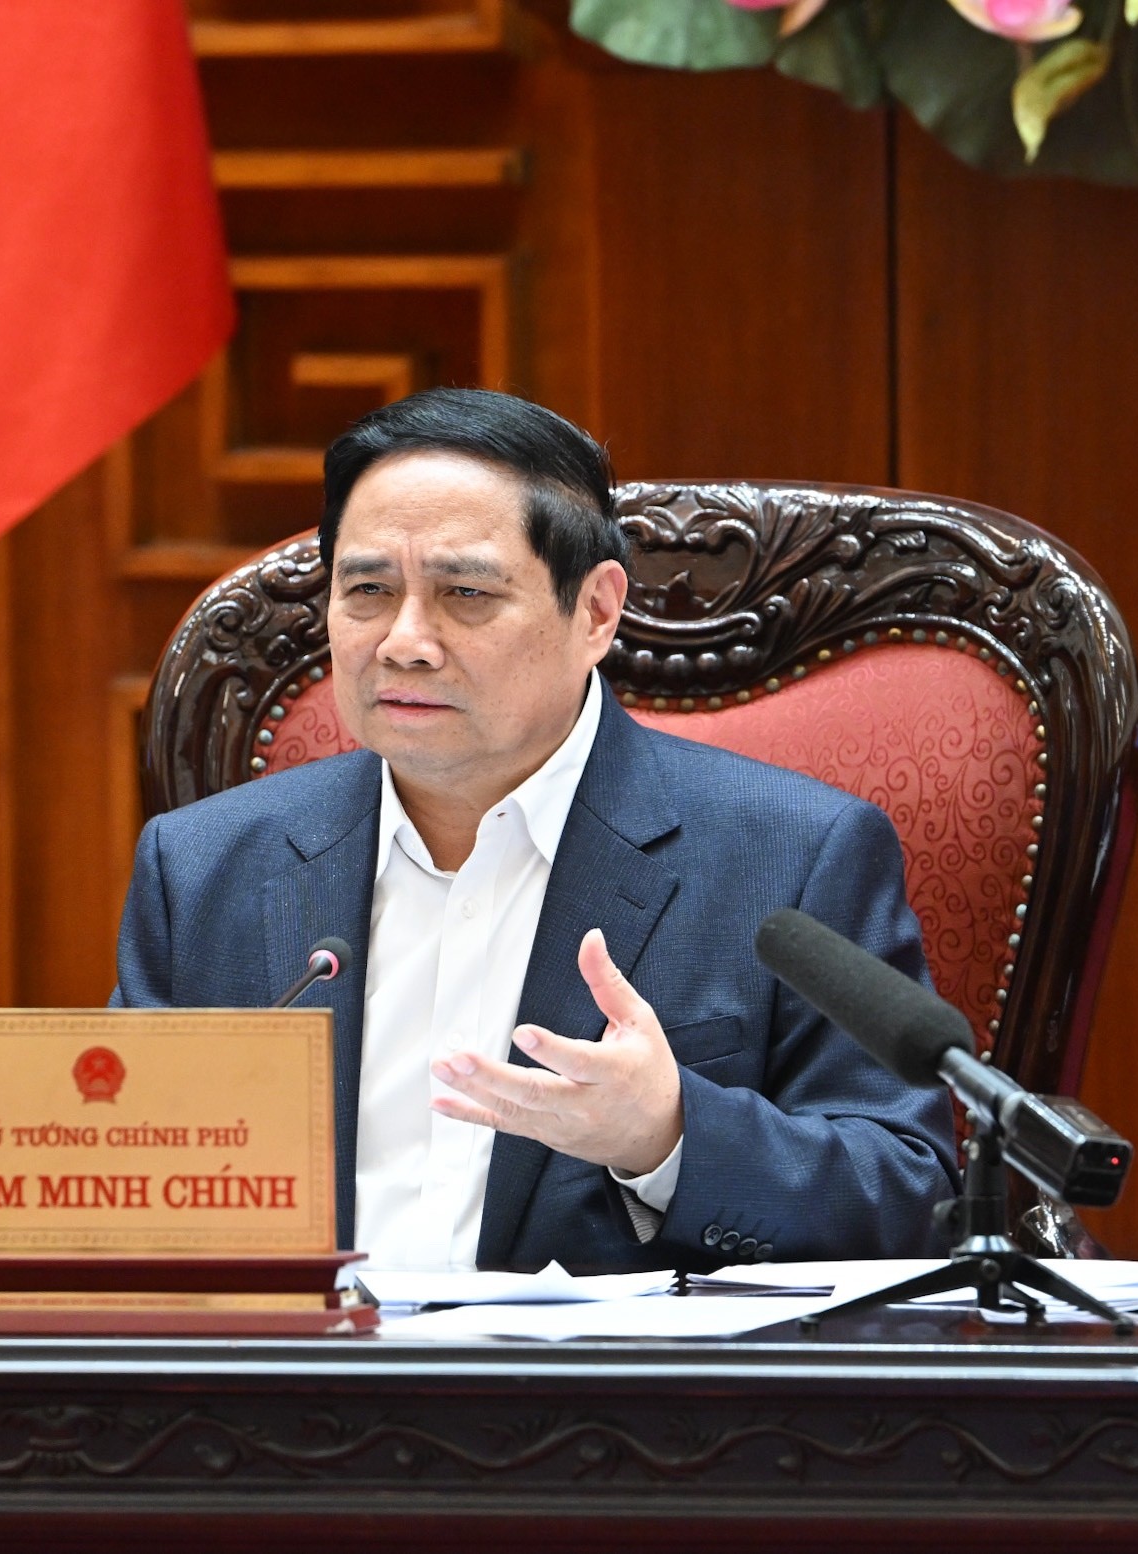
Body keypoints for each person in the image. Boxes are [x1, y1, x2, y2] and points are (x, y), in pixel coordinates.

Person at [111, 388, 958, 1271]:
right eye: (367, 591)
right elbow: (122, 1194)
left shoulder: (793, 858)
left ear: (595, 612)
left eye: (465, 593)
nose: (404, 642)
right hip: (295, 1363)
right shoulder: (203, 868)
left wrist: (668, 1136)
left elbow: (913, 1197)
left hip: (613, 1367)